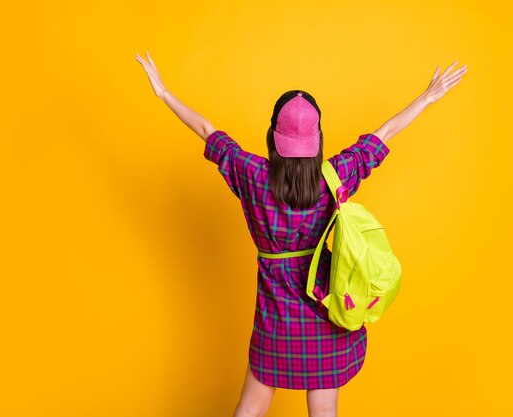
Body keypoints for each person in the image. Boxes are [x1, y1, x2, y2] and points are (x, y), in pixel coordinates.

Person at [136, 51, 467, 417]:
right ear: (317, 138)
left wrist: (164, 93)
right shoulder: (333, 175)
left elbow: (206, 130)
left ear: (273, 136)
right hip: (325, 307)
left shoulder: (253, 175)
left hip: (275, 317)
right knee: (324, 411)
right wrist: (426, 97)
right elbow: (383, 134)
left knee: (250, 408)